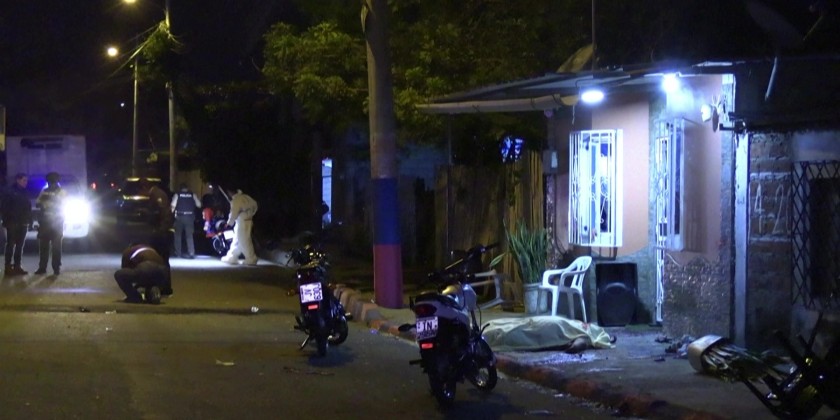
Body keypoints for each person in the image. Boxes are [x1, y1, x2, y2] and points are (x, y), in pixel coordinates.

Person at [143, 178, 174, 295]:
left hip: (162, 234)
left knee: (161, 261)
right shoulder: (156, 194)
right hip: (160, 232)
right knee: (160, 261)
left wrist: (160, 231)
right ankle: (161, 287)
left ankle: (164, 288)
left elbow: (164, 214)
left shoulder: (157, 195)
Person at [35, 172, 66, 275]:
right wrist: (48, 203)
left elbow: (61, 204)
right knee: (44, 246)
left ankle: (56, 268)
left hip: (56, 222)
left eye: (52, 181)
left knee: (56, 247)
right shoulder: (44, 191)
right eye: (50, 181)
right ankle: (42, 268)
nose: (51, 184)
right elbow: (38, 203)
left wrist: (47, 203)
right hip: (45, 222)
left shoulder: (61, 192)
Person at [2, 173, 33, 276]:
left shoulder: (25, 192)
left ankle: (17, 266)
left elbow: (28, 208)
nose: (25, 182)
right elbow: (4, 207)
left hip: (23, 222)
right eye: (24, 180)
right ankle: (8, 267)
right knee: (11, 244)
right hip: (12, 222)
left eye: (26, 180)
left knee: (20, 245)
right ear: (18, 180)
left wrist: (30, 221)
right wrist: (7, 220)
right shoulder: (10, 192)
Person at [221, 187, 258, 266]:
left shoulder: (236, 201)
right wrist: (251, 214)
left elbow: (233, 213)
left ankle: (251, 258)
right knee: (237, 240)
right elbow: (255, 205)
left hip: (242, 222)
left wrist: (229, 223)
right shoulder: (246, 197)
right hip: (247, 220)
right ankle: (232, 256)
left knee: (244, 240)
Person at [171, 183, 201, 259]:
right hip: (190, 217)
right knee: (189, 235)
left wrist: (171, 214)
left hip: (179, 217)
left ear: (180, 188)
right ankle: (191, 252)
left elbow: (173, 205)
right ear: (187, 188)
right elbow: (199, 205)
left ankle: (178, 252)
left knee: (177, 235)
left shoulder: (177, 194)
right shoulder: (192, 195)